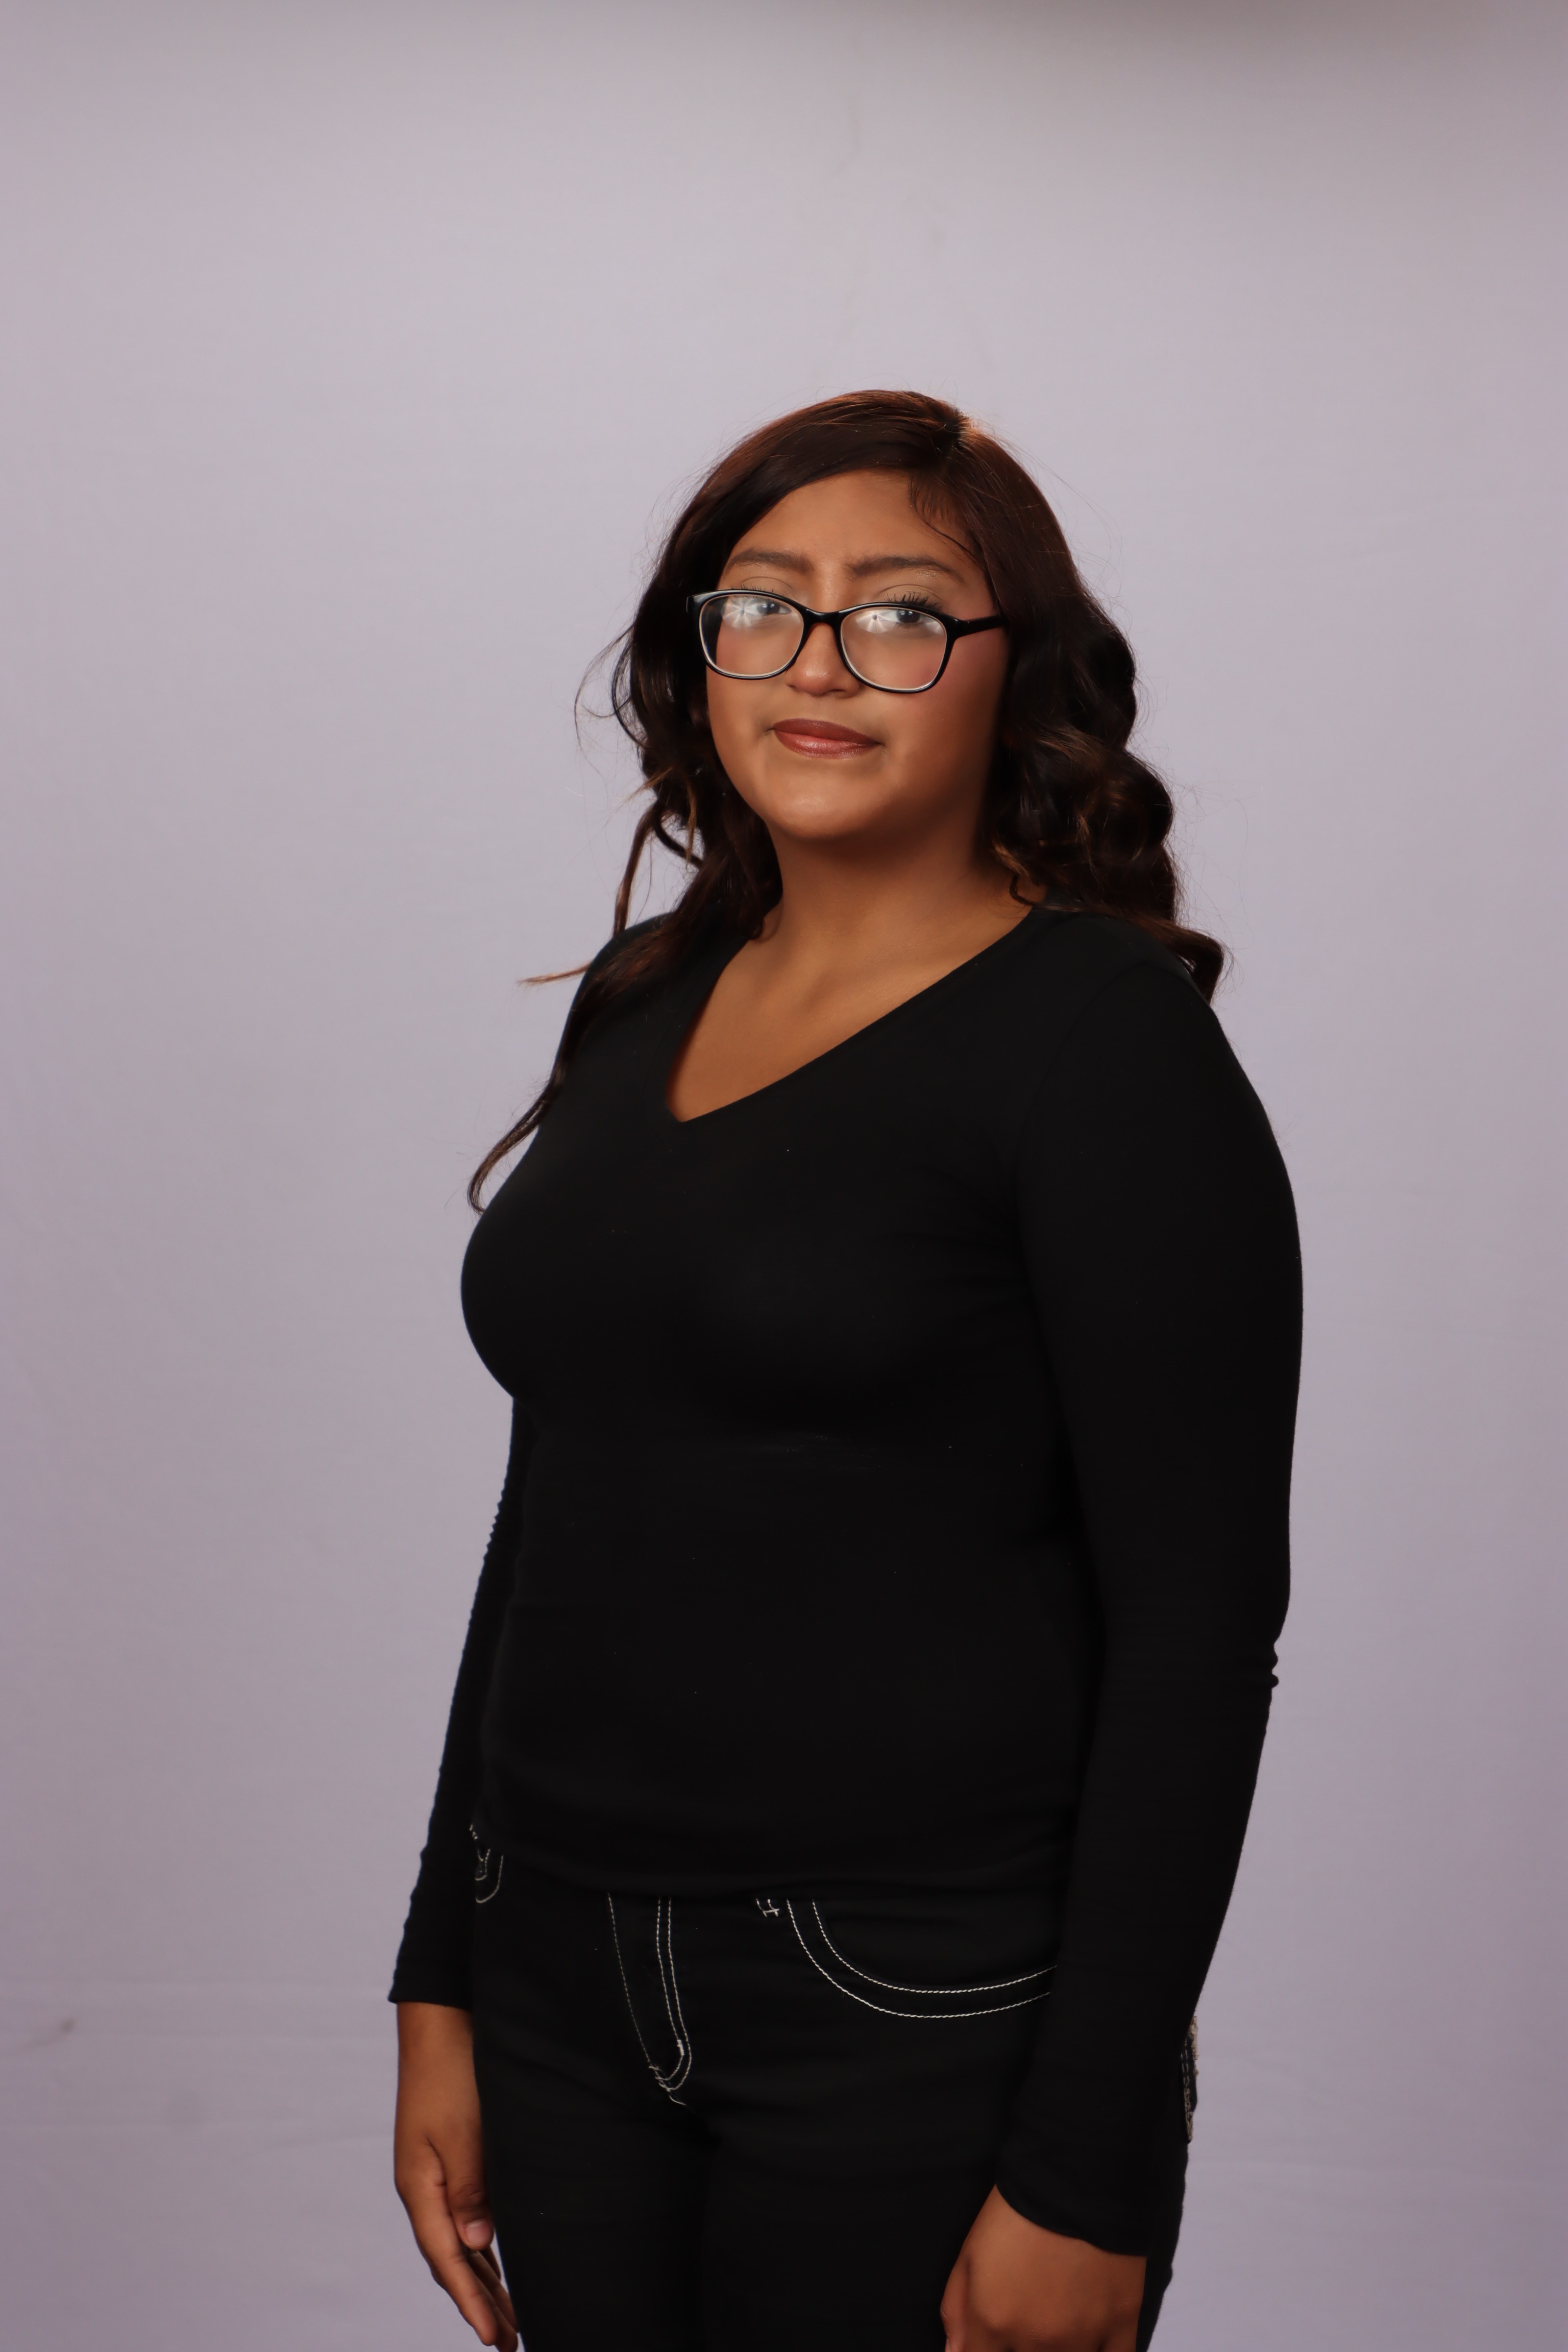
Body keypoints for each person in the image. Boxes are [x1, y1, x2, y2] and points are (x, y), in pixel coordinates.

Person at [389, 390, 1301, 2352]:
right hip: (555, 1976)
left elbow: (1200, 1631)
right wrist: (440, 1973)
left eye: (896, 611)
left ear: (1010, 670)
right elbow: (556, 1503)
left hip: (912, 2001)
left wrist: (1088, 2167)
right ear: (698, 651)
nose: (817, 661)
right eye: (764, 604)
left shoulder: (1101, 1048)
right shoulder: (646, 998)